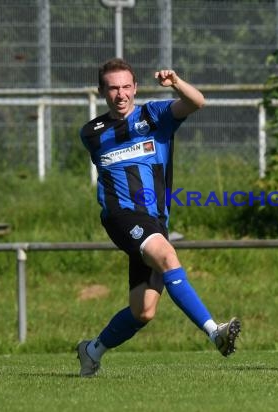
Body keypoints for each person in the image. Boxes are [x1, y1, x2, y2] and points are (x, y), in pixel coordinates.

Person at [77, 58, 240, 377]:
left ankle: (92, 350)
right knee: (167, 256)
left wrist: (176, 83)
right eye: (112, 88)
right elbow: (121, 141)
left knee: (143, 311)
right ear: (101, 92)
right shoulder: (92, 133)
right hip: (122, 217)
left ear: (135, 88)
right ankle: (214, 331)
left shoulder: (155, 115)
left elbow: (197, 101)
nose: (120, 94)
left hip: (155, 221)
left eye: (126, 87)